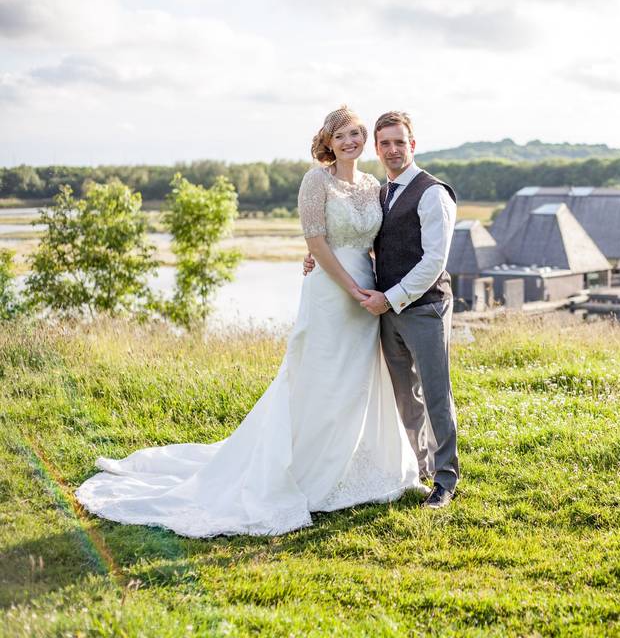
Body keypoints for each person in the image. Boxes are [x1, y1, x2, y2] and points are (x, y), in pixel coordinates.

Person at [75, 106, 427, 538]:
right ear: (329, 143)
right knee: (317, 376)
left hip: (367, 293)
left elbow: (370, 240)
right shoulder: (315, 180)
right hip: (331, 295)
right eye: (341, 136)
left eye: (356, 133)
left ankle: (347, 464)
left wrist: (371, 286)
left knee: (355, 380)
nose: (350, 141)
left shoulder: (373, 185)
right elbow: (315, 239)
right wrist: (348, 286)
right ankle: (304, 469)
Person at [304, 111, 459, 508]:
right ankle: (417, 469)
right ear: (377, 147)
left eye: (399, 142)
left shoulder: (433, 192)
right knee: (404, 395)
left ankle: (445, 480)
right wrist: (313, 256)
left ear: (413, 144)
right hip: (381, 309)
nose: (392, 149)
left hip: (422, 308)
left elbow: (434, 261)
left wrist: (389, 298)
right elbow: (356, 236)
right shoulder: (381, 190)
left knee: (436, 394)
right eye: (384, 143)